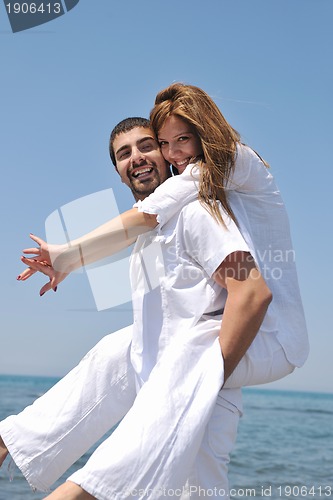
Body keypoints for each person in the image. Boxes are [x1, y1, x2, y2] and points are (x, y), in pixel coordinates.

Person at [0, 117, 272, 499]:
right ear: (118, 172)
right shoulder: (150, 235)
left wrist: (203, 377)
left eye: (146, 146)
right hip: (163, 391)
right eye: (124, 154)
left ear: (168, 154)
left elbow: (252, 290)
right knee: (114, 349)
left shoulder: (198, 214)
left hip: (196, 396)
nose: (137, 157)